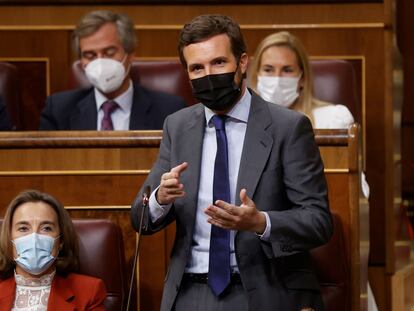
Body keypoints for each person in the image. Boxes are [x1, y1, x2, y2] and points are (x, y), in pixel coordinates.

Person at [131, 14, 332, 311]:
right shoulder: (178, 125)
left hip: (265, 288)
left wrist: (260, 222)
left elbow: (318, 222)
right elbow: (140, 218)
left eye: (218, 63)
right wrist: (160, 198)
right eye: (197, 68)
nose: (208, 75)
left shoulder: (287, 127)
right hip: (189, 291)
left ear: (242, 62)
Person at [39, 10, 186, 130]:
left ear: (130, 54)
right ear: (81, 62)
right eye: (89, 55)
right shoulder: (58, 110)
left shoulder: (169, 110)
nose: (100, 61)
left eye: (109, 53)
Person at [0, 190, 107, 310]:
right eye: (23, 228)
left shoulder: (89, 291)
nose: (34, 238)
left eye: (46, 228)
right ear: (9, 238)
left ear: (60, 241)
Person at [249, 31, 354, 129]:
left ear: (302, 78)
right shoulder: (241, 120)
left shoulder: (332, 120)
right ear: (256, 75)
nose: (277, 78)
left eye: (287, 70)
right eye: (268, 69)